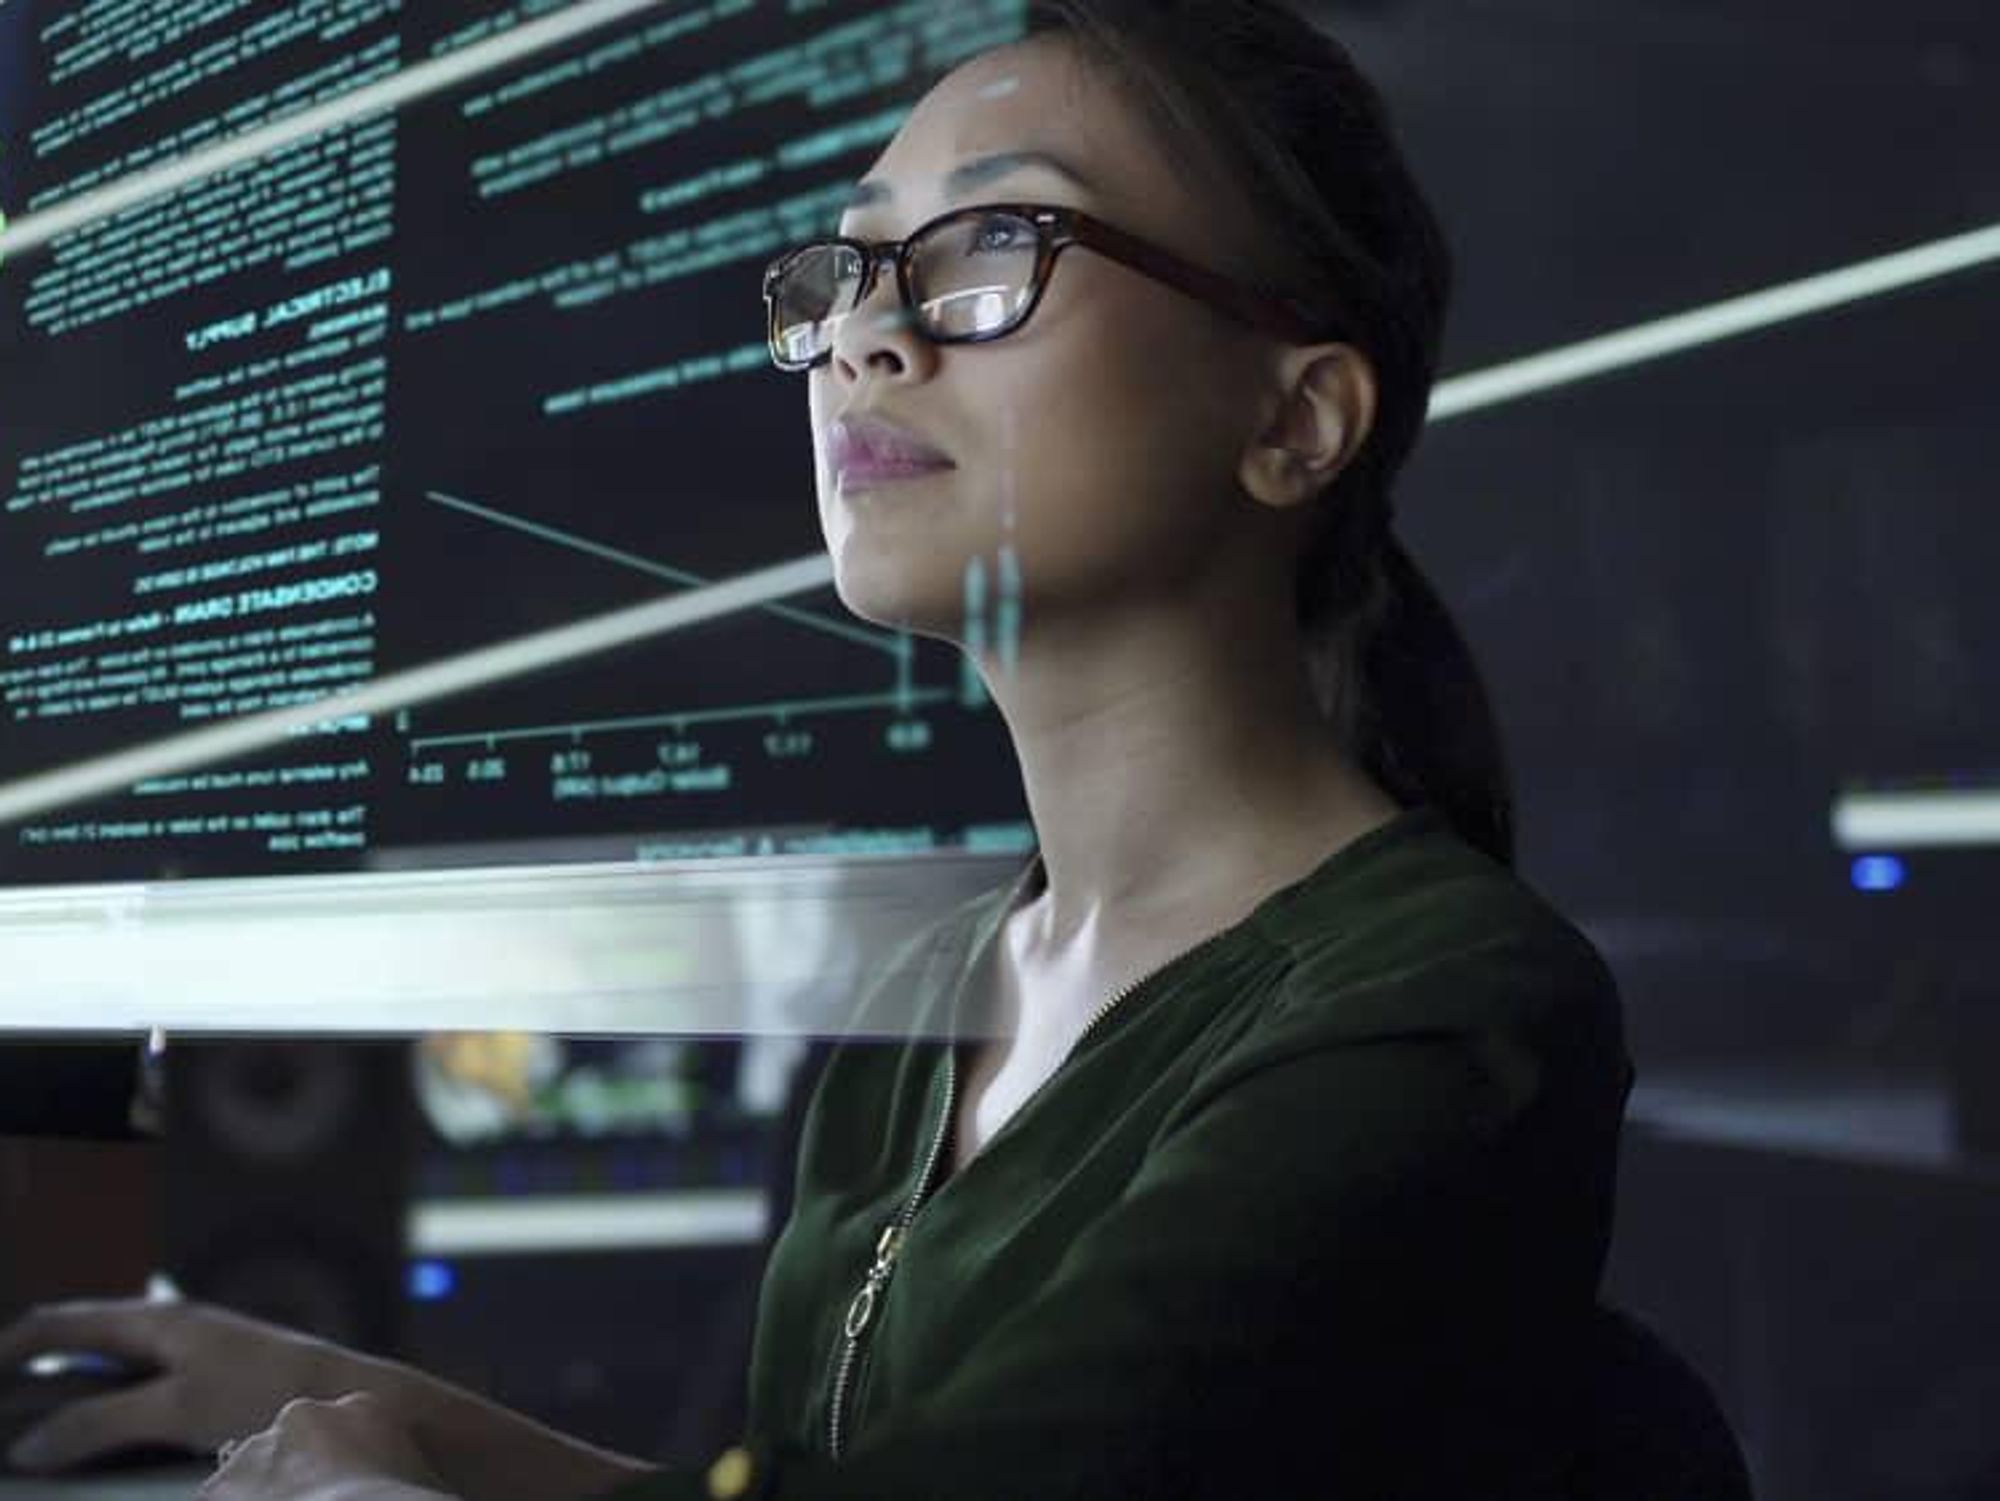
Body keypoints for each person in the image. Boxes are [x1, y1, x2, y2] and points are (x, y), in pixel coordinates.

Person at [0, 2, 1634, 1496]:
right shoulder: (939, 982)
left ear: (1296, 420)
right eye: (849, 269)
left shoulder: (1442, 1005)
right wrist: (374, 1406)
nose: (864, 337)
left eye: (991, 248)